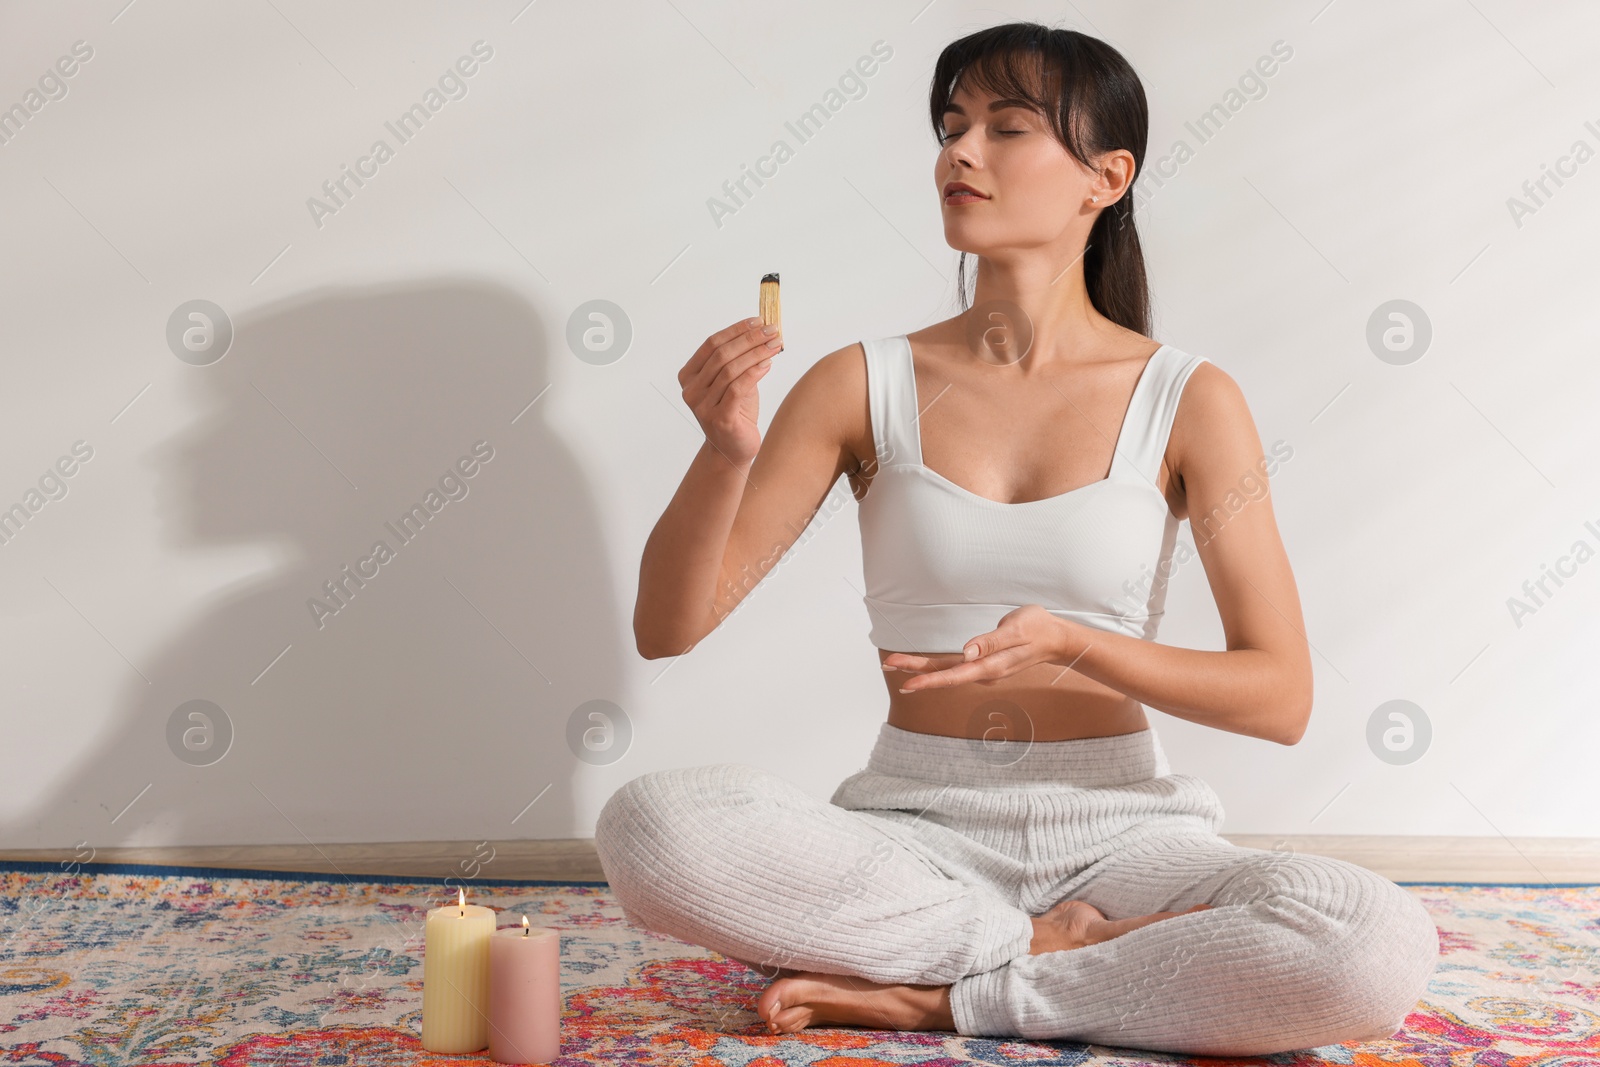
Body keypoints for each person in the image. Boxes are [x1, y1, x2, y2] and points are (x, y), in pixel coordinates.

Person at [595, 21, 1438, 1057]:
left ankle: (949, 990)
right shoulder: (860, 384)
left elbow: (1281, 695)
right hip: (915, 829)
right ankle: (1039, 945)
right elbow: (667, 627)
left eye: (1005, 128)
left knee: (1369, 939)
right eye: (951, 126)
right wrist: (723, 453)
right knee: (650, 825)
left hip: (1126, 833)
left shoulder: (1188, 399)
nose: (959, 152)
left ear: (1106, 176)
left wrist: (1074, 641)